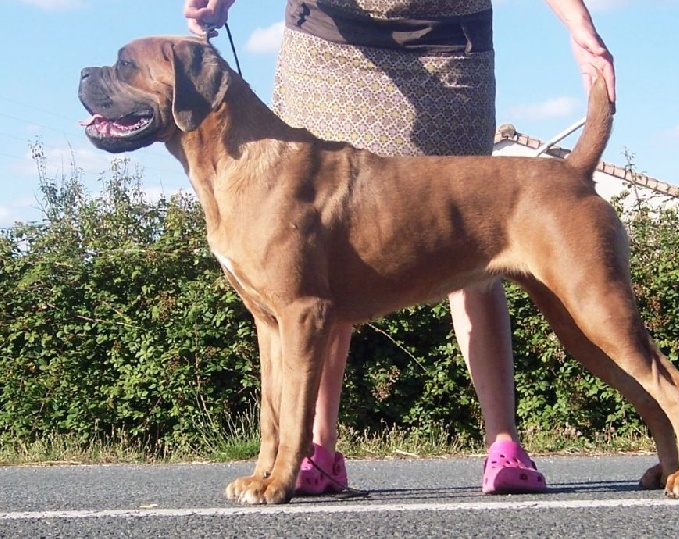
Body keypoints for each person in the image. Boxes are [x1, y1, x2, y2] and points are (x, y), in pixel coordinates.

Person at [184, 0, 615, 496]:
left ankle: (504, 443)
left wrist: (579, 25)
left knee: (474, 235)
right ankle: (312, 450)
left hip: (445, 46)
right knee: (308, 273)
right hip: (329, 49)